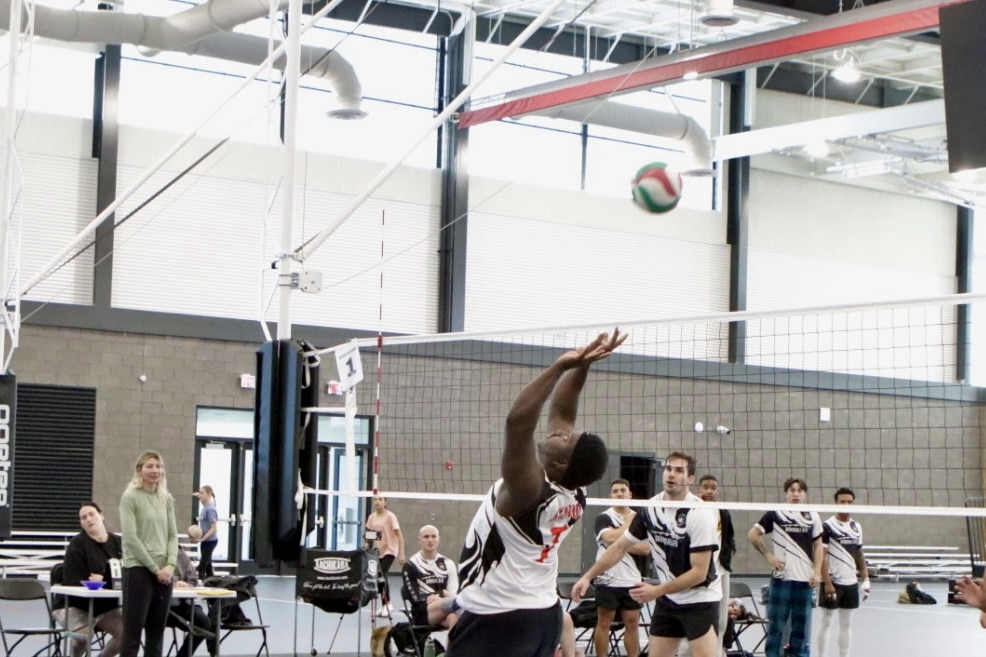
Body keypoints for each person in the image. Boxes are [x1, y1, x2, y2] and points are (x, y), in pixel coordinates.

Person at [446, 329, 626, 657]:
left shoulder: (528, 491)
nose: (560, 431)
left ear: (560, 463)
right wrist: (583, 364)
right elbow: (563, 411)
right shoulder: (574, 489)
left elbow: (517, 423)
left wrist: (559, 367)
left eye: (566, 438)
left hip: (500, 617)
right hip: (543, 613)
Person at [572, 451, 721, 657]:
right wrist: (588, 577)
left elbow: (699, 573)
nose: (671, 474)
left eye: (679, 471)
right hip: (668, 600)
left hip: (699, 600)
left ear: (690, 479)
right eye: (668, 469)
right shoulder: (650, 508)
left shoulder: (700, 514)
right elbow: (619, 547)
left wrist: (656, 590)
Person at [747, 477, 823, 657]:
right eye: (792, 490)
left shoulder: (813, 515)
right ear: (786, 493)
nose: (796, 494)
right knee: (775, 628)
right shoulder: (776, 513)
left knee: (800, 630)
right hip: (782, 580)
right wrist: (769, 556)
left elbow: (819, 545)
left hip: (804, 581)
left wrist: (817, 572)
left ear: (804, 494)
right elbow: (753, 535)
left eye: (799, 491)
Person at [120, 450, 179, 657]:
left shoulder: (166, 499)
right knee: (133, 632)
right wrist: (155, 569)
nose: (155, 470)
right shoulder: (130, 498)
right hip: (138, 570)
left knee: (156, 633)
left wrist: (170, 565)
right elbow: (131, 537)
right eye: (150, 466)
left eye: (158, 466)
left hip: (164, 574)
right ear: (140, 470)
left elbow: (172, 535)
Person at [53, 502, 125, 657]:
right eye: (83, 517)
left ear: (101, 515)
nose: (88, 519)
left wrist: (104, 579)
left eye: (92, 514)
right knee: (83, 636)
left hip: (105, 606)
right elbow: (72, 580)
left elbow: (126, 572)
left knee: (127, 634)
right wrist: (100, 582)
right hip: (72, 605)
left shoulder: (118, 542)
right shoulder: (77, 543)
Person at [591, 478, 650, 657]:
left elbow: (646, 548)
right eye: (615, 491)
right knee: (604, 622)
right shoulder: (603, 517)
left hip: (632, 579)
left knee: (632, 623)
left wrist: (619, 543)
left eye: (623, 490)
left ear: (630, 494)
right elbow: (607, 538)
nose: (619, 494)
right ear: (610, 495)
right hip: (607, 579)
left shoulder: (640, 518)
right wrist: (626, 528)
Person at [816, 487, 869, 657]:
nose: (846, 505)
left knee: (846, 624)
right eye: (842, 501)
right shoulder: (827, 526)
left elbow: (859, 554)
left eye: (849, 502)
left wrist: (866, 579)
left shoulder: (856, 526)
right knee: (826, 622)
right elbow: (821, 556)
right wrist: (827, 583)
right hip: (832, 582)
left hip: (850, 582)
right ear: (836, 503)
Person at [697, 474, 735, 657]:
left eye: (713, 488)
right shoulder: (692, 510)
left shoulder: (722, 512)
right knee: (696, 620)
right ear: (699, 489)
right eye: (706, 487)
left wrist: (727, 556)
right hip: (699, 573)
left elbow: (729, 539)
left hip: (721, 571)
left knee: (721, 621)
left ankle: (718, 653)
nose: (709, 491)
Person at [402, 524, 459, 629]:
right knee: (457, 604)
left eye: (433, 536)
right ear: (419, 540)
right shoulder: (410, 565)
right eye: (426, 537)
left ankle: (452, 641)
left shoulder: (448, 563)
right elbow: (415, 600)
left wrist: (438, 598)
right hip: (422, 612)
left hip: (445, 608)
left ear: (439, 539)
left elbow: (453, 594)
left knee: (453, 618)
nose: (430, 540)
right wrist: (441, 593)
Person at [169, 545, 218, 657]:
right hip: (160, 604)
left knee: (204, 623)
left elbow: (193, 579)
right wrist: (174, 583)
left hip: (184, 603)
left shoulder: (180, 554)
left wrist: (187, 584)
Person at [365, 495, 406, 617]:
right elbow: (370, 534)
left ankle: (388, 604)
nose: (377, 502)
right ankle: (385, 605)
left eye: (380, 500)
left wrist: (401, 553)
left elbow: (399, 535)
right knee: (379, 577)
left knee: (381, 575)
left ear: (385, 502)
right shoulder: (372, 517)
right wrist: (367, 544)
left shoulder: (390, 516)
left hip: (390, 550)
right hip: (378, 551)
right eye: (375, 500)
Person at [191, 486, 219, 580]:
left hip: (210, 541)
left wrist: (202, 538)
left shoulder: (210, 509)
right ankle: (212, 581)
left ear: (209, 494)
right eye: (200, 493)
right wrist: (199, 496)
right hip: (205, 541)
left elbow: (214, 529)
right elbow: (204, 501)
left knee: (202, 564)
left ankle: (200, 582)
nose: (200, 495)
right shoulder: (205, 508)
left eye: (202, 493)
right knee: (208, 565)